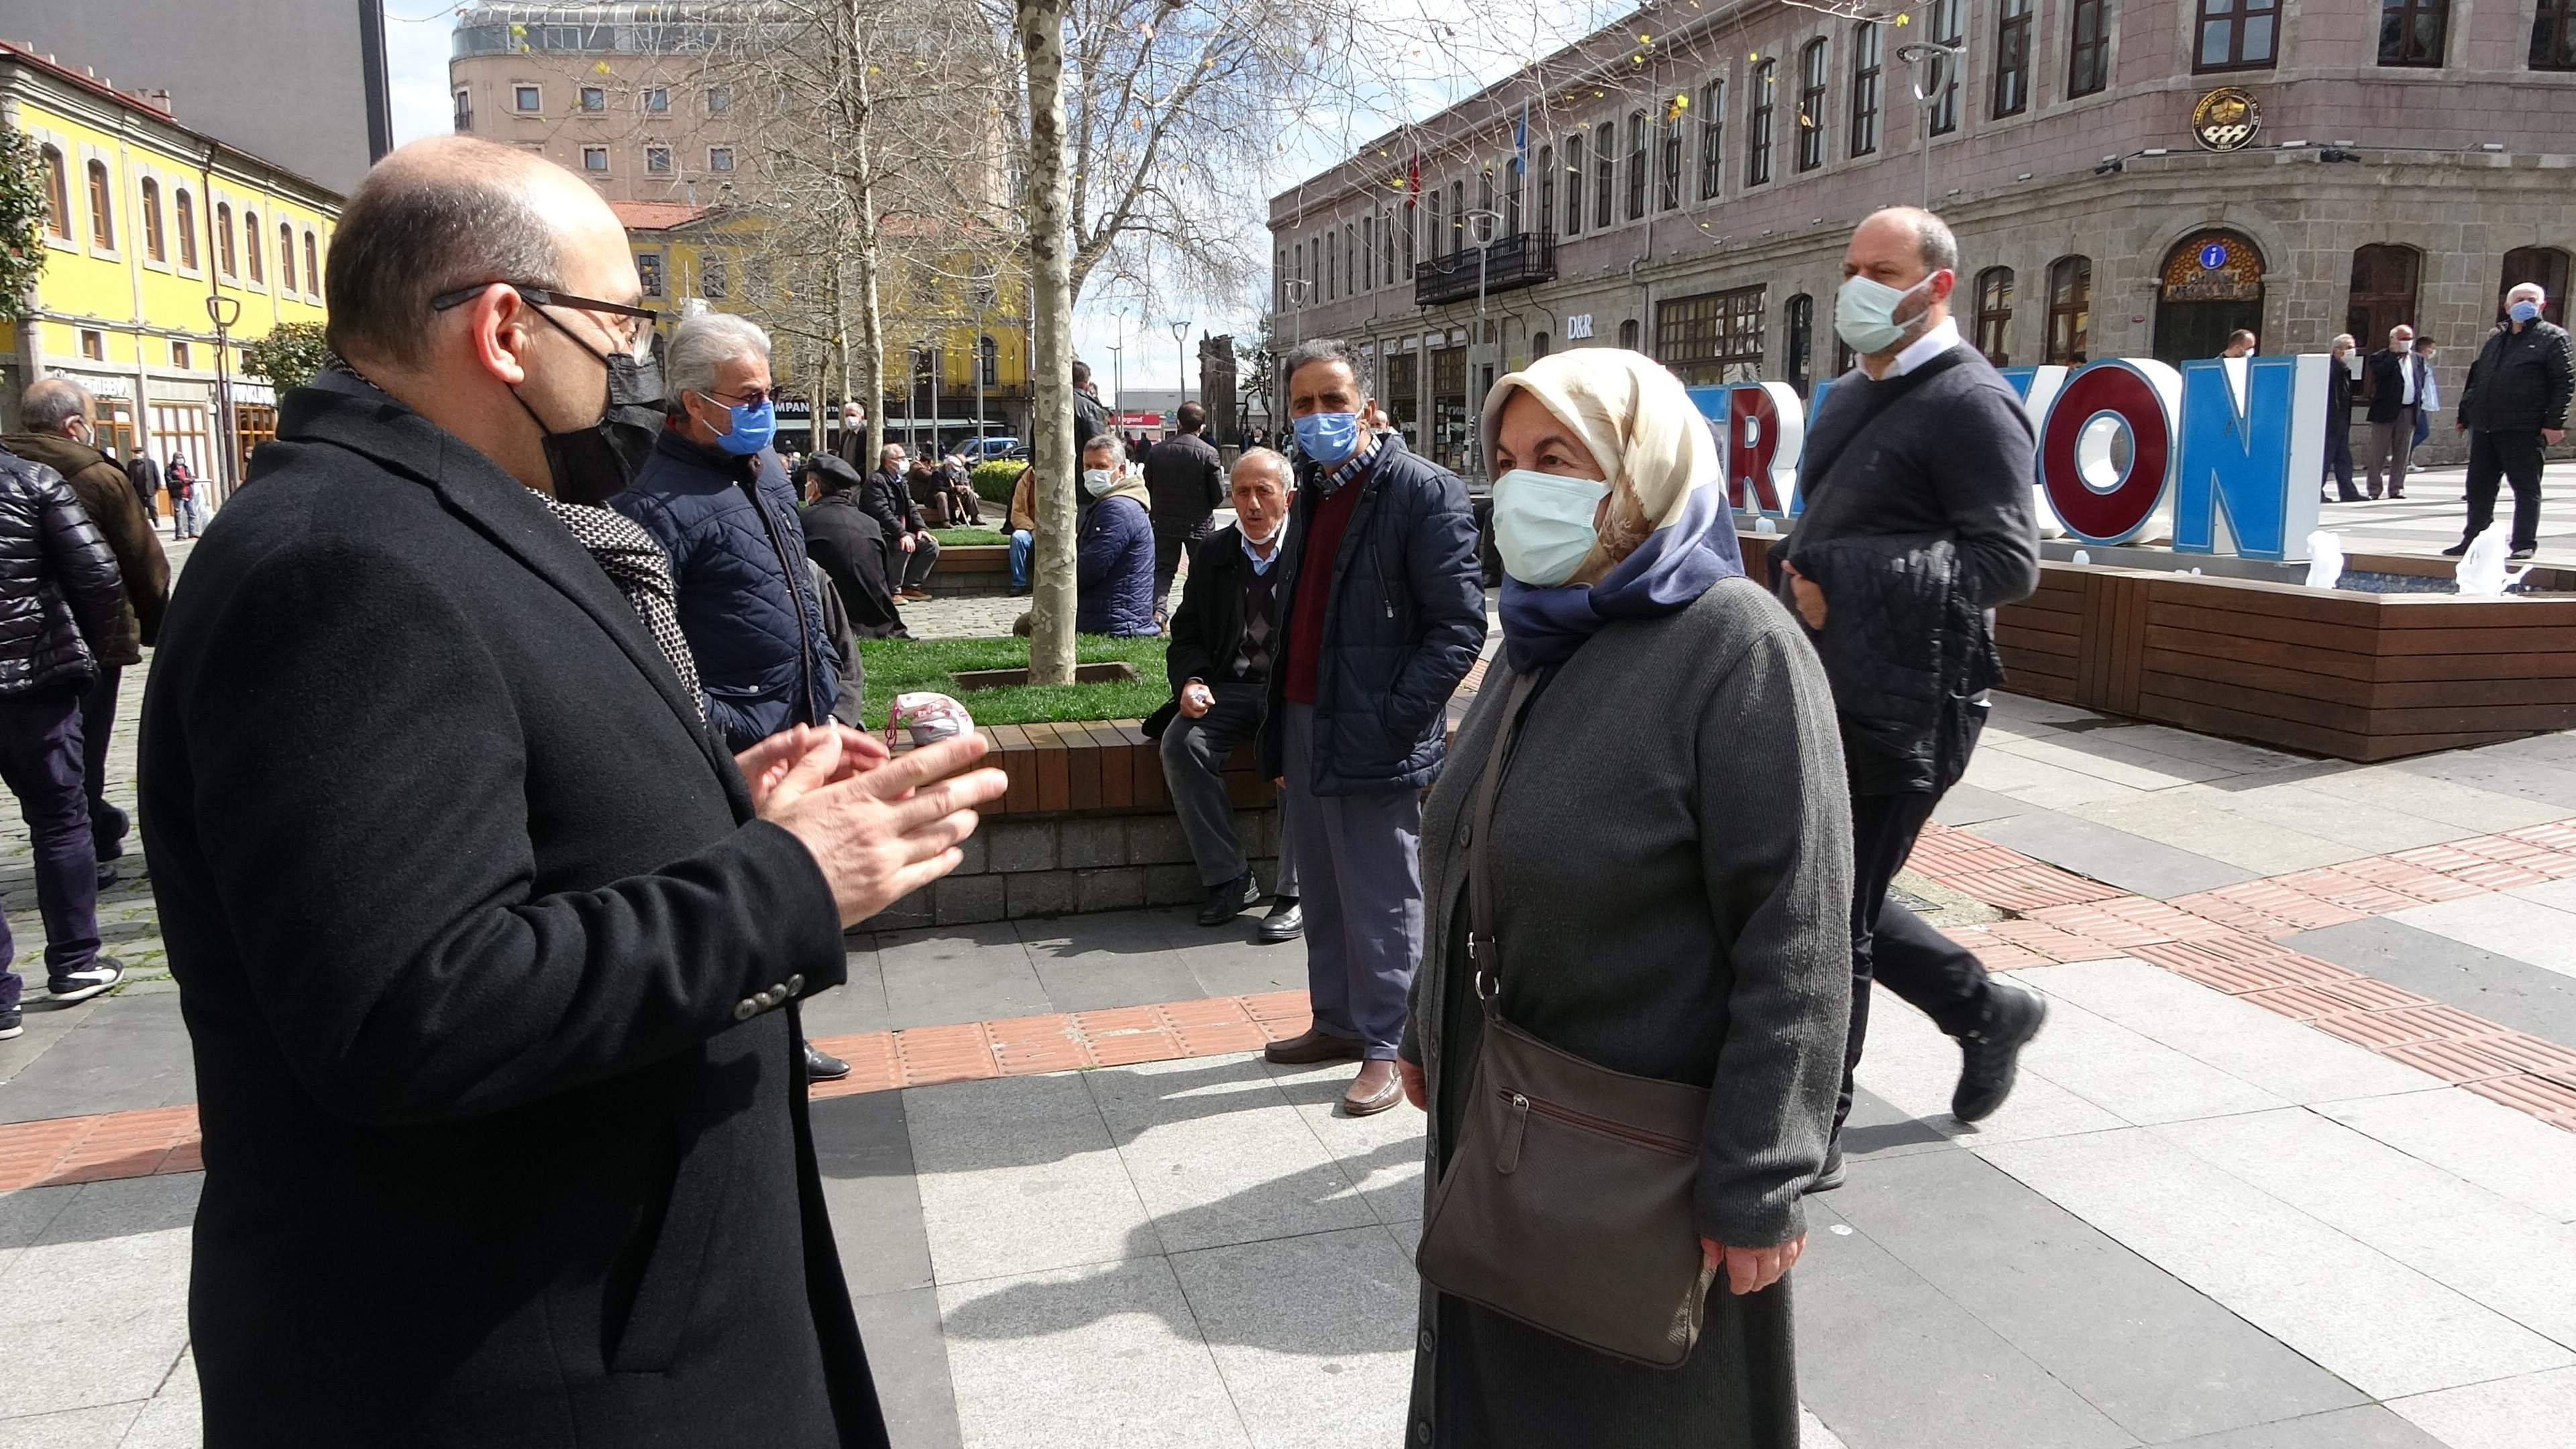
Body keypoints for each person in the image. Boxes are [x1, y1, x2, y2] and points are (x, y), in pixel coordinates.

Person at [137, 136, 1008, 1446]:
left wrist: (726, 813)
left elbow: (526, 831)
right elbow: (414, 1007)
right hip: (528, 1372)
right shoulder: (343, 568)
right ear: (504, 327)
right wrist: (791, 877)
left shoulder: (442, 518)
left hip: (624, 1325)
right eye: (617, 326)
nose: (630, 367)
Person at [1395, 347, 1850, 1449]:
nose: (1521, 486)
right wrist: (1423, 1024)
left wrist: (1758, 1177)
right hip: (1498, 1132)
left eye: (1559, 456)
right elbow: (1467, 846)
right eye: (1506, 459)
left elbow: (1797, 937)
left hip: (1641, 1178)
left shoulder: (1737, 649)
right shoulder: (1544, 632)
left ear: (1645, 467)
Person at [1773, 207, 2047, 1188]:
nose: (1857, 286)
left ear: (1938, 286)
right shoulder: (1848, 394)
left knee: (1833, 911)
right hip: (1828, 676)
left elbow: (2009, 564)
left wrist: (1839, 577)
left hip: (1915, 702)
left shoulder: (1973, 403)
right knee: (1828, 890)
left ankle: (1818, 1127)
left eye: (1880, 270)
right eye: (1849, 266)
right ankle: (1986, 1010)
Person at [611, 313, 855, 1083]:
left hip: (800, 720)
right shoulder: (648, 497)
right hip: (729, 741)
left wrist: (833, 701)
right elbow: (646, 645)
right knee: (735, 893)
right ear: (689, 401)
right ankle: (737, 1039)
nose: (763, 408)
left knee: (783, 888)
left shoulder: (769, 472)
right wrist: (716, 724)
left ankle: (785, 1035)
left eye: (768, 392)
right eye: (747, 395)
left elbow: (796, 596)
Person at [1256, 337, 1483, 1116]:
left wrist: (1396, 718)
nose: (1318, 416)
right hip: (1304, 717)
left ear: (1368, 405)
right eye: (1303, 404)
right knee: (1321, 886)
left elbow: (1459, 627)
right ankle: (1340, 1020)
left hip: (1374, 727)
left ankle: (1392, 1045)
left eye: (1333, 400)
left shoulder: (1424, 490)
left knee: (1383, 895)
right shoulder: (1313, 489)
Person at [2, 379, 172, 871]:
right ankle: (88, 840)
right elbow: (141, 561)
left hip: (19, 638)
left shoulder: (8, 467)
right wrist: (159, 629)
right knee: (85, 747)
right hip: (91, 636)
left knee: (45, 751)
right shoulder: (98, 475)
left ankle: (90, 826)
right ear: (74, 424)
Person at [1146, 448, 1302, 942]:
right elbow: (1188, 633)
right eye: (1241, 492)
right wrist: (1192, 681)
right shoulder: (1214, 552)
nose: (1252, 504)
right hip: (1231, 689)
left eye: (1264, 491)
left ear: (1288, 497)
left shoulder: (1313, 550)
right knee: (1181, 743)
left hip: (1294, 692)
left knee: (1301, 750)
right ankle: (1230, 878)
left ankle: (1296, 893)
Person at [0, 442, 129, 1040]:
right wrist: (92, 655)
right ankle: (76, 962)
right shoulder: (31, 481)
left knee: (62, 819)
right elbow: (100, 575)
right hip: (36, 684)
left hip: (38, 678)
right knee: (59, 819)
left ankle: (2, 999)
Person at [2450, 281, 2574, 561]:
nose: (2524, 303)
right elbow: (2479, 377)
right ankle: (2474, 540)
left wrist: (2554, 423)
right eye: (2518, 299)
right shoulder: (2497, 339)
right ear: (2507, 306)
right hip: (2486, 424)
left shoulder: (2553, 338)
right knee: (2479, 487)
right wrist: (2464, 413)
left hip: (2524, 427)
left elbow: (2564, 382)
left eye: (2531, 299)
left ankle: (2523, 543)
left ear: (2542, 306)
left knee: (2526, 487)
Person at [800, 453, 911, 641]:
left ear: (815, 487)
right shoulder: (870, 523)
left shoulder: (803, 521)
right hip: (879, 619)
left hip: (832, 619)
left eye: (808, 482)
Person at [1144, 400, 1226, 627]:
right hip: (1198, 522)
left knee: (1163, 569)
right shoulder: (1209, 453)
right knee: (1201, 570)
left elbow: (1148, 484)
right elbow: (1218, 494)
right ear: (1202, 426)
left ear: (1178, 422)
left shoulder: (1158, 451)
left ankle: (1158, 613)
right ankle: (1197, 615)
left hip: (1163, 521)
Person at [1075, 434, 1158, 637]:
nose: (1093, 473)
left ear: (1120, 470)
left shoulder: (1117, 507)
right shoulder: (1115, 502)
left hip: (1115, 623)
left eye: (1101, 467)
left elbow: (1092, 567)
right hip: (1115, 615)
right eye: (1088, 467)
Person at [866, 443, 940, 599]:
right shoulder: (876, 481)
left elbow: (911, 508)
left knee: (930, 546)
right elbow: (882, 512)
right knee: (905, 544)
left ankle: (911, 587)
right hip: (882, 532)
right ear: (888, 461)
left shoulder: (901, 481)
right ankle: (893, 591)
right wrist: (901, 534)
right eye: (900, 458)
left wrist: (921, 529)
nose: (905, 461)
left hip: (901, 531)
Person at [2361, 323, 2423, 500]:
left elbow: (2420, 380)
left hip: (2408, 410)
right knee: (2378, 452)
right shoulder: (2380, 357)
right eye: (2403, 339)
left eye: (2409, 339)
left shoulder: (2418, 359)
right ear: (2393, 340)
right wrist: (2393, 355)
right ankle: (2374, 488)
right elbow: (2379, 373)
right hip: (2385, 411)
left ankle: (2397, 487)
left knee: (2402, 452)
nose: (2407, 342)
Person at [2324, 334, 2363, 502]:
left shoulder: (2344, 369)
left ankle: (2348, 492)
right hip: (2331, 423)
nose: (2352, 351)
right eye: (2348, 347)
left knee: (2344, 459)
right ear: (2337, 350)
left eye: (2352, 347)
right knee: (2325, 459)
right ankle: (2316, 491)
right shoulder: (2331, 369)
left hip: (2341, 422)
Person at [1005, 459, 1038, 592]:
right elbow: (1017, 512)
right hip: (1030, 529)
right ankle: (1019, 583)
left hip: (1055, 529)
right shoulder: (1023, 481)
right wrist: (1032, 529)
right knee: (1018, 538)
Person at [2412, 334, 2440, 464]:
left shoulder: (2425, 364)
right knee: (2423, 432)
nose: (2433, 352)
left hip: (2422, 403)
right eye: (2432, 349)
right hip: (2418, 403)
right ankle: (2400, 453)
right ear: (2425, 348)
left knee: (2416, 432)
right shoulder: (2417, 363)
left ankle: (2406, 460)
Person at [124, 447, 162, 524]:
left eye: (139, 453)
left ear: (143, 453)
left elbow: (156, 475)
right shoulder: (131, 464)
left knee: (152, 506)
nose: (138, 455)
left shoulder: (151, 463)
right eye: (136, 453)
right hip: (138, 490)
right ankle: (144, 523)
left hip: (149, 489)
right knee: (140, 508)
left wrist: (158, 486)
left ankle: (155, 519)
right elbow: (129, 477)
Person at [167, 454, 201, 537]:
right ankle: (180, 534)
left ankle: (192, 532)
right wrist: (182, 482)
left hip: (189, 494)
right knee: (179, 515)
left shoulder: (186, 468)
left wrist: (191, 479)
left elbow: (190, 477)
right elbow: (170, 483)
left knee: (192, 513)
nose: (180, 460)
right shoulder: (170, 469)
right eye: (178, 458)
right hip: (178, 495)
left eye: (181, 458)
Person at [831, 402, 870, 470]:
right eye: (847, 416)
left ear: (862, 418)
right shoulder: (845, 435)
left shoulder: (867, 434)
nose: (849, 418)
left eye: (853, 415)